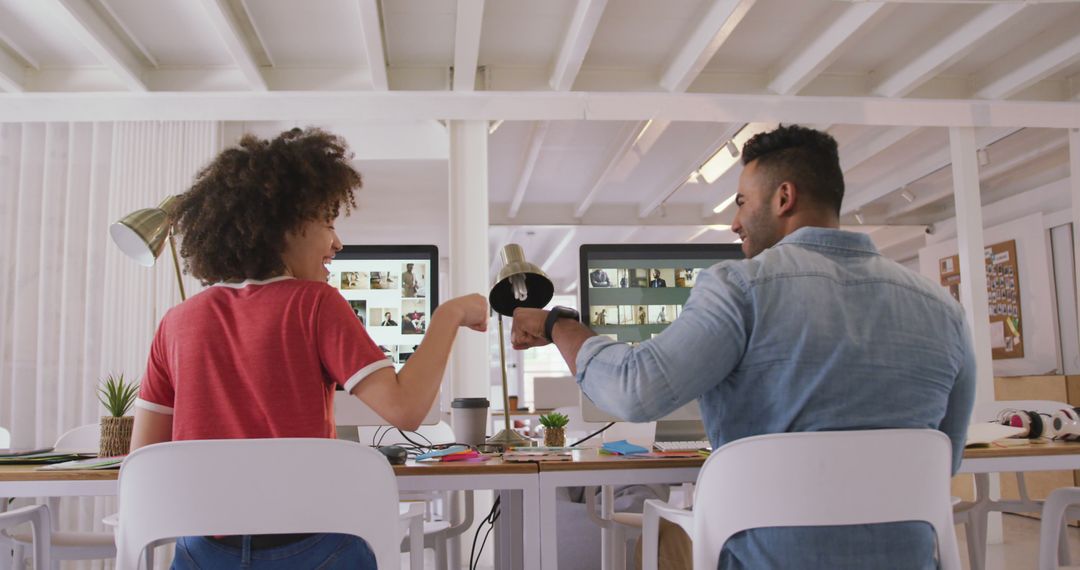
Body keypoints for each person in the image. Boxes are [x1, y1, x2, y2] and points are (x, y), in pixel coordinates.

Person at [510, 124, 975, 570]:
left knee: (656, 537)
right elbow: (944, 460)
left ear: (784, 198)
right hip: (907, 561)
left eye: (741, 202)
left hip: (764, 560)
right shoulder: (945, 309)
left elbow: (634, 390)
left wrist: (558, 326)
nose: (735, 222)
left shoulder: (740, 287)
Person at [129, 127, 488, 570]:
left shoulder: (176, 322)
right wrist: (448, 315)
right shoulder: (314, 303)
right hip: (311, 551)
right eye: (328, 222)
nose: (337, 243)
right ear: (284, 224)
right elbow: (406, 409)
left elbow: (143, 459)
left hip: (201, 554)